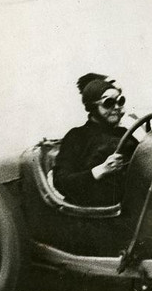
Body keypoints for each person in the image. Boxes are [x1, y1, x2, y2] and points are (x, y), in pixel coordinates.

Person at [52, 73, 138, 206]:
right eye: (108, 103)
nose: (116, 107)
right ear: (92, 107)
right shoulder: (76, 136)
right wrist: (101, 170)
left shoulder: (124, 133)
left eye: (120, 101)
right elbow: (60, 181)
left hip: (130, 208)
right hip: (95, 216)